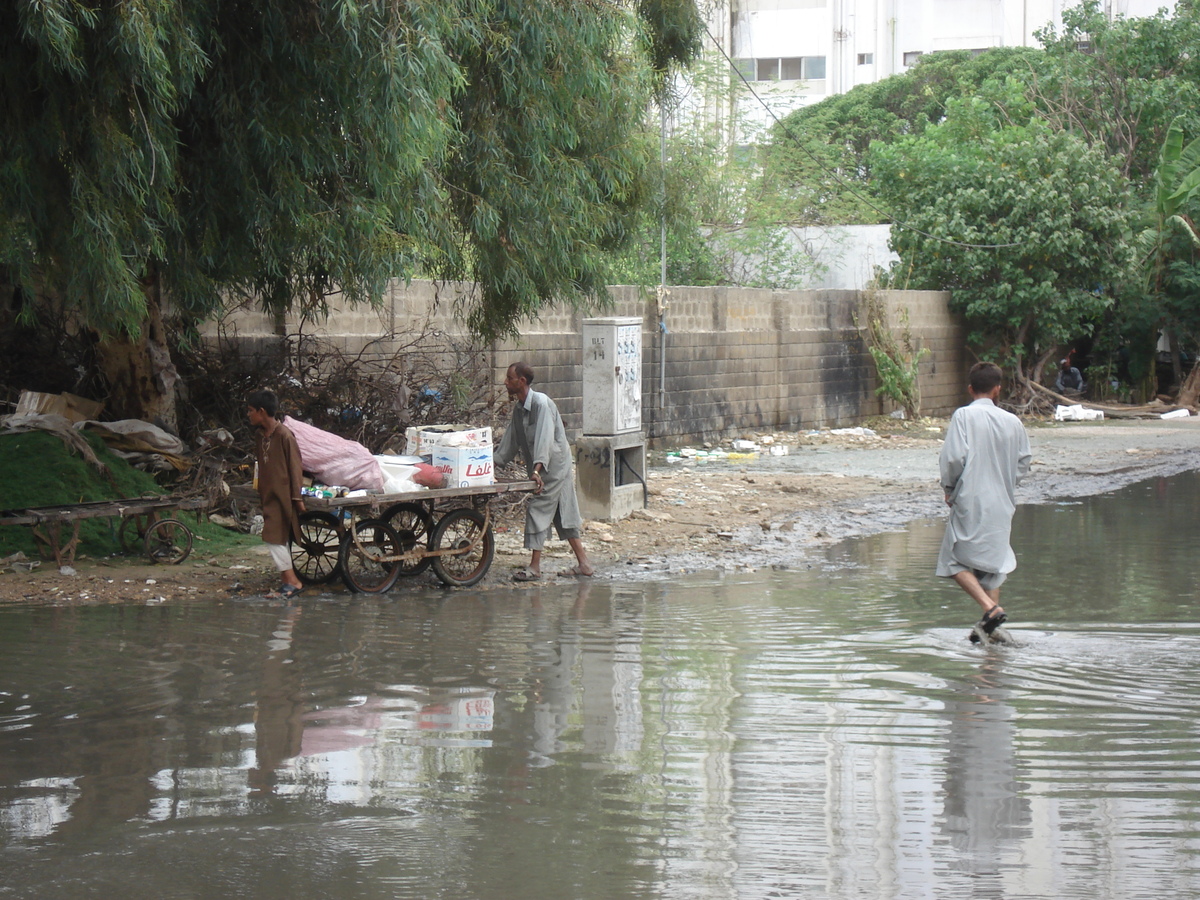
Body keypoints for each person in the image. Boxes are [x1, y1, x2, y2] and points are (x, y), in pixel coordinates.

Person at [936, 362, 1032, 640]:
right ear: (997, 389)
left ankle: (990, 609)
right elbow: (1024, 460)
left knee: (952, 560)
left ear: (970, 388)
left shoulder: (963, 416)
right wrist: (1007, 483)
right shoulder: (1013, 421)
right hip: (1003, 500)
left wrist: (950, 488)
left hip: (971, 497)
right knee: (993, 563)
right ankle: (989, 630)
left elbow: (954, 457)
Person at [494, 361, 594, 581]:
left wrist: (537, 471)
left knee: (537, 509)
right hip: (543, 466)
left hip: (553, 466)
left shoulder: (542, 404)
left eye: (509, 378)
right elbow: (511, 440)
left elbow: (545, 439)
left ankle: (535, 567)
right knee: (562, 513)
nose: (505, 382)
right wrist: (492, 463)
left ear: (521, 381)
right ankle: (584, 564)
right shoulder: (520, 409)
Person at [247, 389, 306, 599]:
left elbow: (295, 466)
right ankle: (286, 580)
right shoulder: (259, 436)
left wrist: (297, 498)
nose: (249, 414)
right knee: (277, 536)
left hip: (283, 494)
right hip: (268, 493)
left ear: (262, 412)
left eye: (251, 410)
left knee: (273, 536)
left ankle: (293, 581)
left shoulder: (284, 436)